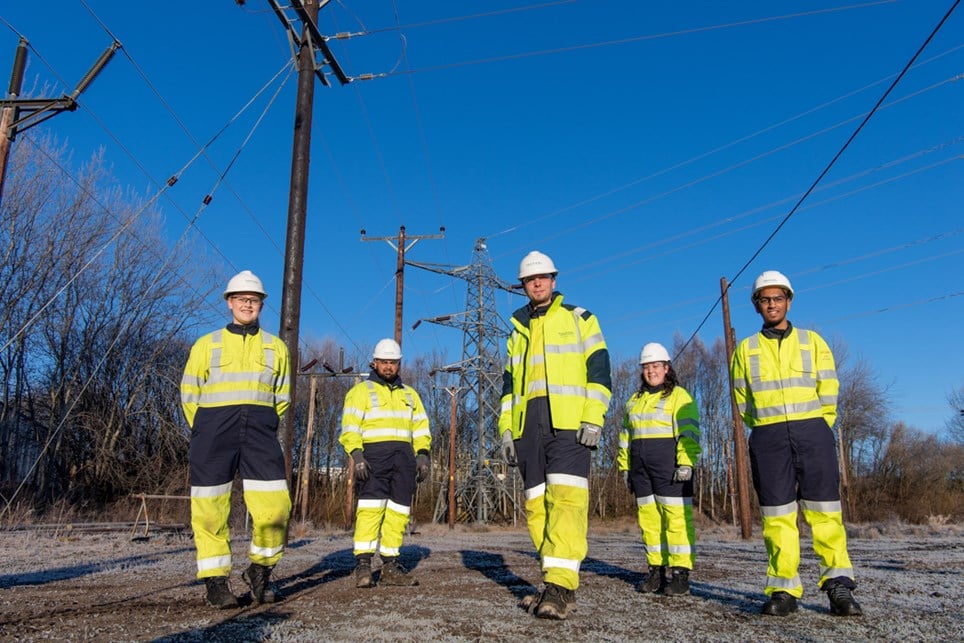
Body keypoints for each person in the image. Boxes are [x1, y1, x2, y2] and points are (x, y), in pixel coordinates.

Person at [730, 270, 863, 617]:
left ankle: (838, 586)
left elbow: (829, 388)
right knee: (777, 516)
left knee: (825, 511)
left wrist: (820, 425)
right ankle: (784, 590)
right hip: (768, 437)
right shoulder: (745, 349)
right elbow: (742, 399)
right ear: (756, 305)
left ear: (788, 301)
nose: (772, 304)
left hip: (813, 432)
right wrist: (764, 428)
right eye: (765, 299)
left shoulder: (812, 342)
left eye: (778, 298)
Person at [499, 251, 612, 620]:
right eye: (530, 280)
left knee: (566, 501)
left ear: (554, 280)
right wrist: (506, 429)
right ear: (523, 286)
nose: (537, 283)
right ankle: (554, 580)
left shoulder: (581, 319)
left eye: (543, 277)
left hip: (569, 425)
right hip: (527, 426)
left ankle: (560, 586)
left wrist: (593, 418)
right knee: (536, 506)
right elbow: (508, 387)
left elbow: (600, 372)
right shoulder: (516, 332)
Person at [180, 270, 292, 609]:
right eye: (241, 299)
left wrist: (263, 422)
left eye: (254, 300)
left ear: (261, 305)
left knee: (276, 507)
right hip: (213, 431)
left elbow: (282, 397)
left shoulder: (276, 347)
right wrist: (203, 428)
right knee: (210, 509)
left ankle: (260, 569)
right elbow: (189, 393)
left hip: (259, 431)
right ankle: (216, 582)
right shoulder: (206, 344)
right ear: (229, 302)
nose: (247, 304)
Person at [339, 338, 432, 588]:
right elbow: (350, 427)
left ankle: (390, 566)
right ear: (375, 362)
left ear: (399, 364)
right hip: (373, 458)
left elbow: (421, 427)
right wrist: (357, 455)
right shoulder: (361, 392)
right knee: (370, 510)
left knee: (398, 513)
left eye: (393, 362)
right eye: (384, 362)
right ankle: (363, 565)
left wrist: (423, 454)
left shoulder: (410, 395)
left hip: (404, 459)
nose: (389, 366)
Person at [618, 342, 701, 596]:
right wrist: (625, 467)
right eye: (646, 367)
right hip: (640, 470)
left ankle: (680, 575)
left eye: (655, 366)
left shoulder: (680, 396)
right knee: (649, 521)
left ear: (666, 368)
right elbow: (625, 437)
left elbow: (689, 433)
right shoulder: (634, 401)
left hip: (670, 467)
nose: (651, 371)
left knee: (676, 520)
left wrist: (686, 463)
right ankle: (656, 572)